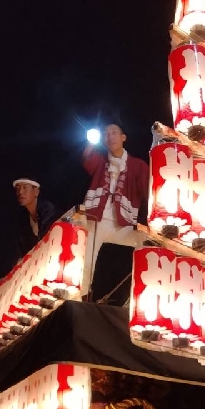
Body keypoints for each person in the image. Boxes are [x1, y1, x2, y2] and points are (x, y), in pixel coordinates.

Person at [80, 121, 149, 301]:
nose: (110, 136)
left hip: (123, 222)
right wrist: (91, 142)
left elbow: (148, 193)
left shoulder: (138, 165)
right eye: (106, 134)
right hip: (99, 219)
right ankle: (81, 299)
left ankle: (137, 299)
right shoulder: (101, 162)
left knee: (145, 249)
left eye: (114, 132)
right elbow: (87, 159)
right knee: (86, 261)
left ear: (123, 137)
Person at [14, 177, 60, 258]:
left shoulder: (49, 210)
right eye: (18, 188)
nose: (20, 192)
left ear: (36, 191)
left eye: (25, 187)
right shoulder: (23, 220)